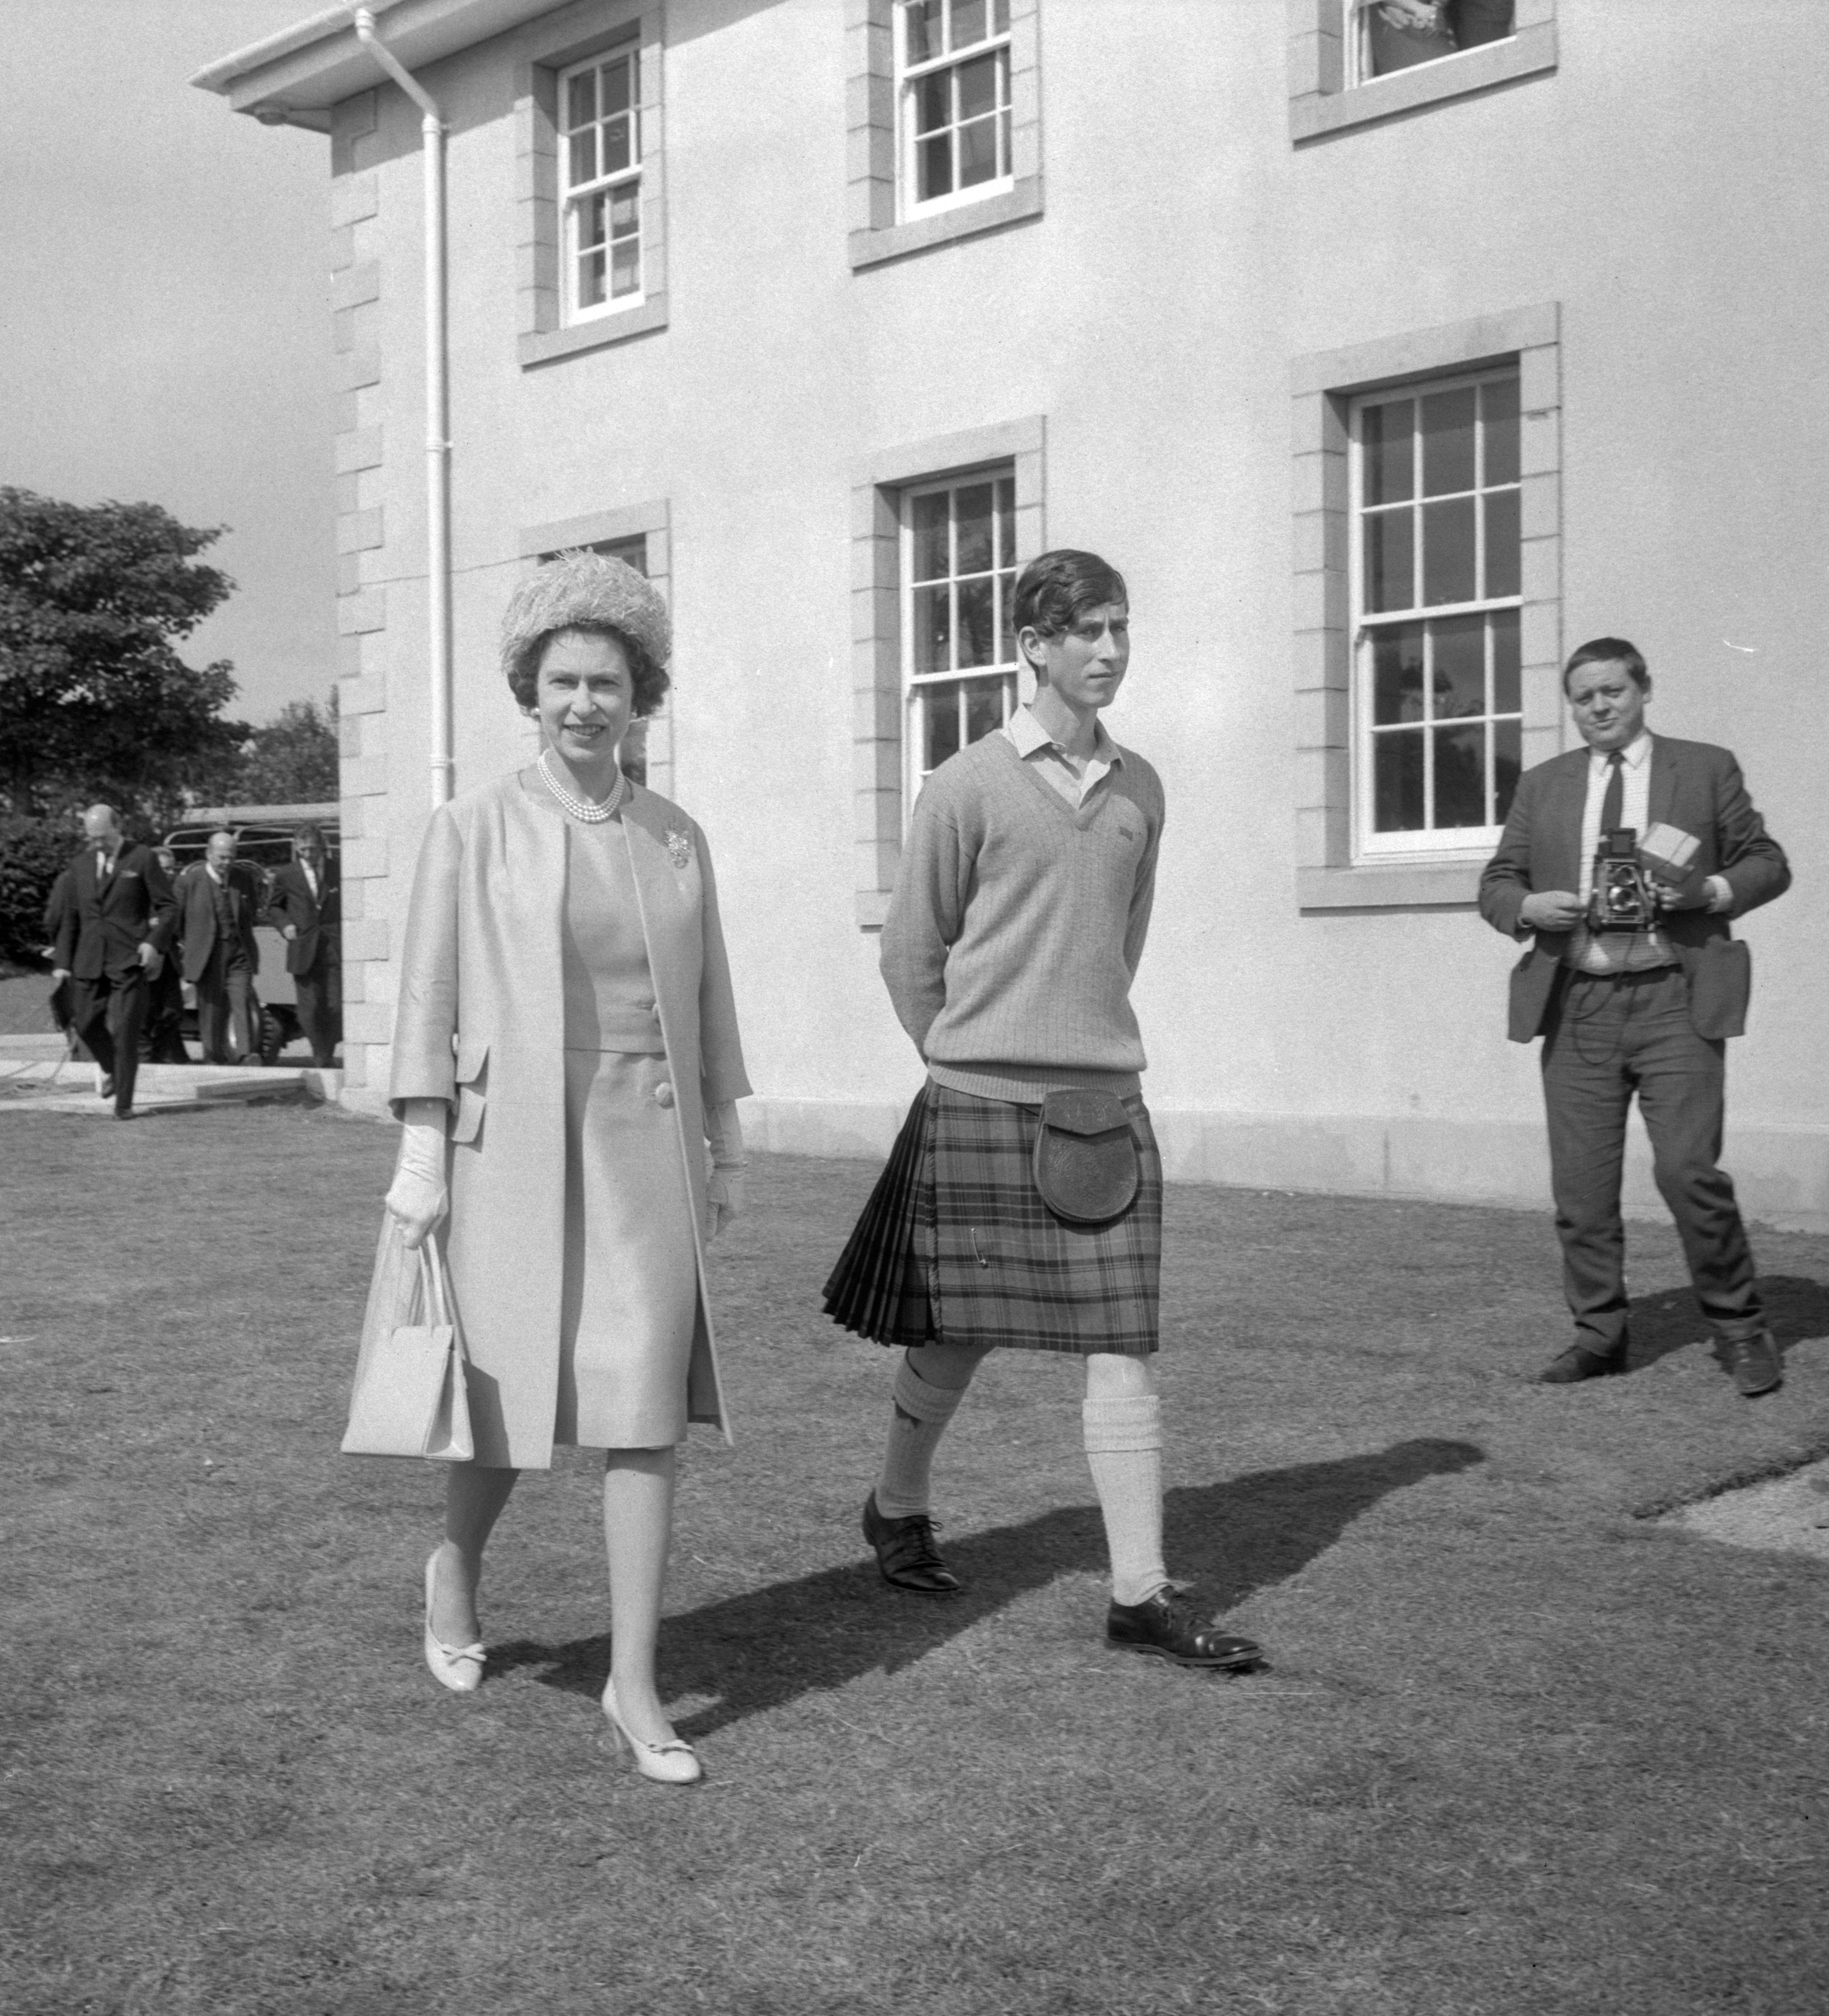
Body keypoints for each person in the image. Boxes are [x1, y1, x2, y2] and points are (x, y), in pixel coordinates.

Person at [824, 549, 1263, 1672]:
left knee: (1122, 1344)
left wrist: (1071, 1053)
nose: (1108, 649)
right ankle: (895, 1505)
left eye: (1119, 626)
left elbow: (1119, 944)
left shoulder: (1142, 789)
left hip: (1099, 1106)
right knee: (953, 1331)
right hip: (975, 1097)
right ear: (1030, 644)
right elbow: (912, 954)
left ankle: (1138, 1591)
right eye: (1084, 630)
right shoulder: (963, 785)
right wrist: (965, 1057)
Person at [379, 550, 750, 1784]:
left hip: (643, 1143)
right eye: (562, 679)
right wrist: (422, 1150)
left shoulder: (675, 833)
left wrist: (727, 1135)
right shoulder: (471, 824)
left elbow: (707, 995)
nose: (586, 700)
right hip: (511, 1148)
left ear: (640, 692)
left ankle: (631, 1677)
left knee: (644, 1409)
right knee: (505, 1402)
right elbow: (428, 990)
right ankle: (456, 1566)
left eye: (608, 679)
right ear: (527, 691)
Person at [1479, 638, 1791, 1394]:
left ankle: (1740, 1328)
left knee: (1688, 1171)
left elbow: (1767, 861)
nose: (1600, 707)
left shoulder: (1702, 768)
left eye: (1613, 691)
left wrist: (1707, 893)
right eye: (1584, 697)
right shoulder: (1546, 785)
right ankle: (1599, 1336)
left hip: (1673, 998)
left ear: (1643, 691)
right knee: (1581, 1191)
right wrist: (1527, 905)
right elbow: (1498, 880)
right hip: (1577, 1002)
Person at [47, 804, 173, 1121]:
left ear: (118, 827)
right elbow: (71, 919)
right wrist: (63, 962)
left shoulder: (142, 858)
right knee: (85, 1023)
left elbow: (170, 907)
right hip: (89, 959)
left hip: (129, 958)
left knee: (127, 1030)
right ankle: (111, 1069)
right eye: (92, 838)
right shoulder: (80, 865)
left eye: (102, 837)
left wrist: (152, 943)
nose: (97, 844)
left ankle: (124, 1105)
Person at [160, 830, 263, 1065]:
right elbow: (176, 920)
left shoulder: (243, 878)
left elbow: (252, 911)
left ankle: (246, 1055)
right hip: (207, 956)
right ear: (208, 854)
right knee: (212, 1009)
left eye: (231, 857)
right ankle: (213, 1057)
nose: (226, 863)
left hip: (239, 953)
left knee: (242, 998)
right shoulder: (189, 882)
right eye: (221, 857)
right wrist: (189, 945)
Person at [264, 823, 342, 1069]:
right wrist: (285, 924)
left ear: (323, 847)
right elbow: (273, 907)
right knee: (310, 1009)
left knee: (336, 1005)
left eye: (314, 849)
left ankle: (326, 1052)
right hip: (303, 948)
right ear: (297, 848)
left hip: (333, 948)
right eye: (305, 850)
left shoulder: (337, 869)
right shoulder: (287, 874)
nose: (310, 855)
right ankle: (321, 1055)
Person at [143, 846, 192, 1065]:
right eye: (165, 869)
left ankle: (163, 1055)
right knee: (146, 1014)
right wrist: (147, 924)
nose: (170, 874)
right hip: (146, 962)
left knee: (173, 1011)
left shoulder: (174, 895)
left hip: (170, 962)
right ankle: (148, 1057)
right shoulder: (138, 892)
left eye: (173, 869)